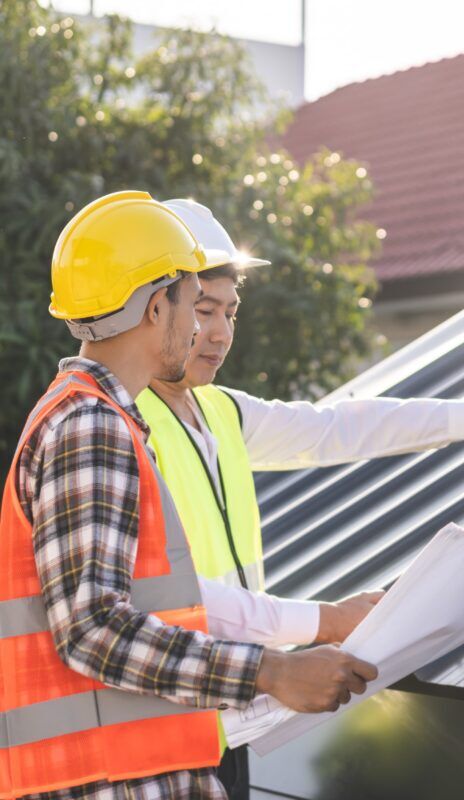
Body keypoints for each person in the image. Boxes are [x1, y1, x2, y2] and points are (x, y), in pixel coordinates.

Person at [137, 199, 464, 798]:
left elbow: (343, 426)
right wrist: (324, 621)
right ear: (158, 308)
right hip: (162, 729)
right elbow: (173, 594)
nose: (219, 332)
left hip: (225, 721)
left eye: (230, 311)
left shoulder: (219, 411)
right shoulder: (126, 426)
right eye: (203, 310)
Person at [0, 191, 378, 800]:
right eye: (192, 306)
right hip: (108, 782)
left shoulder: (102, 421)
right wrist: (272, 670)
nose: (203, 328)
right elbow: (93, 628)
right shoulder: (91, 428)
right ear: (157, 308)